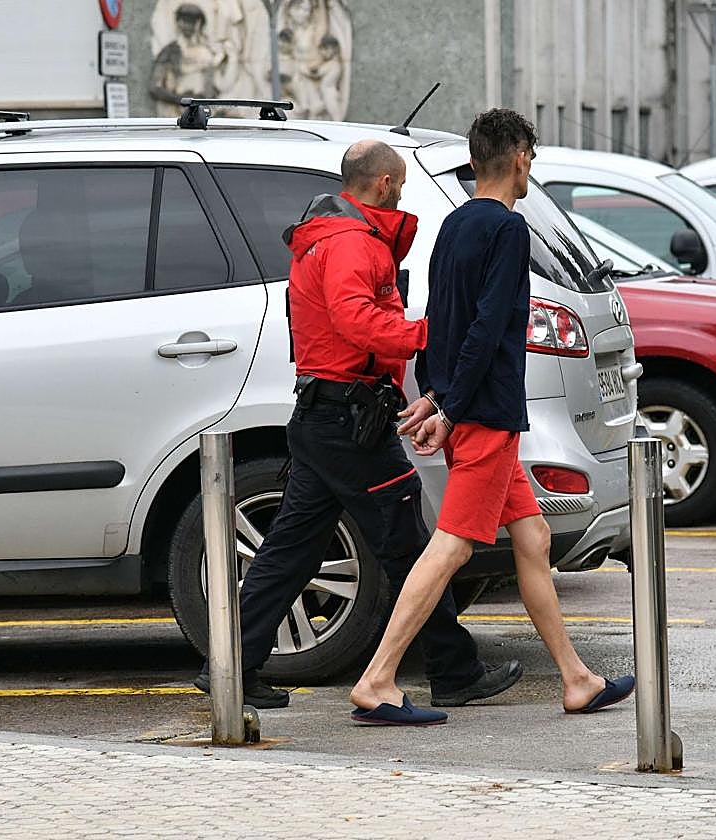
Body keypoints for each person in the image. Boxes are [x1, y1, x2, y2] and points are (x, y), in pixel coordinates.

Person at [193, 139, 522, 711]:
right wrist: (431, 337)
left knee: (293, 546)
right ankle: (454, 668)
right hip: (349, 418)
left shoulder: (323, 238)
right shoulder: (350, 244)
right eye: (401, 186)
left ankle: (230, 665)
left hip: (325, 413)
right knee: (404, 542)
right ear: (386, 184)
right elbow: (357, 321)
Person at [348, 109, 634, 726]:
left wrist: (433, 393)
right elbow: (485, 326)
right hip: (487, 415)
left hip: (469, 407)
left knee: (531, 540)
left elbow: (440, 319)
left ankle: (577, 678)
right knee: (451, 546)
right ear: (522, 160)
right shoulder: (507, 229)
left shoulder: (451, 225)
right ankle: (378, 679)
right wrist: (449, 405)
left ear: (475, 161)